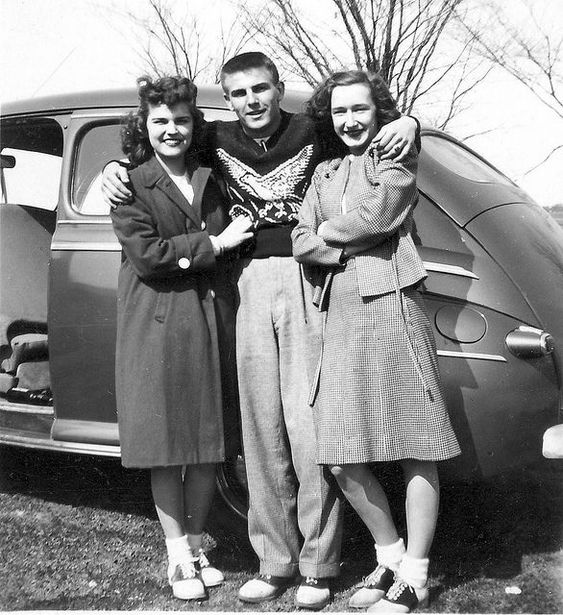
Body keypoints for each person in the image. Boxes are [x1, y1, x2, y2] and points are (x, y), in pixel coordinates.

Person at [102, 52, 420, 610]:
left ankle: (318, 566)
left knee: (307, 424)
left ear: (279, 89)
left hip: (307, 277)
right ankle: (273, 561)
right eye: (239, 92)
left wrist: (408, 122)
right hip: (243, 281)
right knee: (259, 427)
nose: (252, 101)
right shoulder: (213, 139)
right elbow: (156, 142)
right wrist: (113, 168)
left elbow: (367, 128)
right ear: (226, 99)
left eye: (261, 89)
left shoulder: (313, 130)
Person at [291, 70, 461, 614]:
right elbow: (300, 236)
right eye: (339, 112)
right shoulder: (324, 170)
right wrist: (329, 247)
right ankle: (389, 555)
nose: (350, 121)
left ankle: (417, 573)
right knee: (340, 452)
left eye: (359, 109)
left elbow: (378, 215)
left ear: (378, 110)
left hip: (392, 306)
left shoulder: (395, 157)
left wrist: (323, 233)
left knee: (415, 443)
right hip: (340, 312)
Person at [110, 75, 253, 601]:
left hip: (212, 321)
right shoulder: (130, 183)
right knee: (169, 448)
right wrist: (213, 242)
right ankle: (177, 558)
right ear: (144, 127)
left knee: (207, 446)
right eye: (160, 121)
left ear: (196, 126)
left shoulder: (212, 176)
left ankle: (195, 546)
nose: (171, 130)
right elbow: (149, 256)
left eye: (181, 120)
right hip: (161, 327)